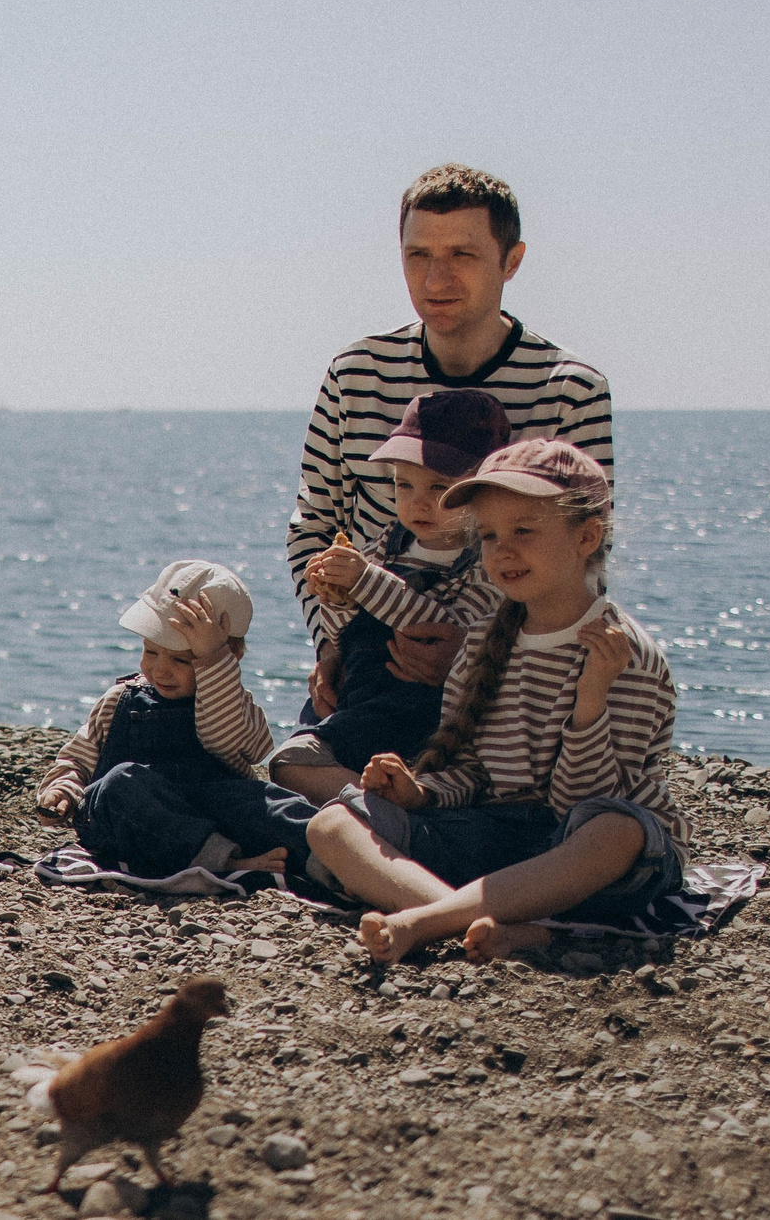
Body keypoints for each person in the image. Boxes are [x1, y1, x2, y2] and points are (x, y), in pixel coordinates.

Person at [300, 441, 684, 961]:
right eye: (488, 535)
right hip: (501, 836)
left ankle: (427, 919)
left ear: (586, 537)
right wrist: (421, 793)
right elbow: (476, 773)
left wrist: (590, 698)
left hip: (578, 849)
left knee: (616, 833)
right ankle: (484, 925)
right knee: (332, 824)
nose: (502, 550)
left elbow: (580, 803)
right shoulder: (483, 639)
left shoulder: (625, 653)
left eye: (524, 531)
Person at [287, 163, 612, 709]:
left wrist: (475, 657)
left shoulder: (570, 390)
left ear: (512, 261)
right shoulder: (355, 374)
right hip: (364, 667)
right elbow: (314, 528)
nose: (437, 280)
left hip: (510, 690)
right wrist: (332, 646)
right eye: (419, 256)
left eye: (462, 255)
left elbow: (587, 560)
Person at [265, 389, 511, 804]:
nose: (418, 502)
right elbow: (346, 632)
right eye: (404, 485)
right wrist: (336, 597)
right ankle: (370, 805)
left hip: (417, 709)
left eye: (439, 487)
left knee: (291, 764)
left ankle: (371, 807)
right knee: (291, 762)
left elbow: (443, 629)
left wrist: (363, 582)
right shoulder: (388, 544)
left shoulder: (485, 561)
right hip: (361, 695)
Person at [33, 562, 316, 879]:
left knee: (271, 803)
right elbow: (79, 757)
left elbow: (235, 742)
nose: (160, 670)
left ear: (229, 658)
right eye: (150, 651)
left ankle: (330, 857)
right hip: (130, 820)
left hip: (205, 812)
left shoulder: (232, 702)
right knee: (119, 783)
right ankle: (226, 863)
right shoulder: (121, 699)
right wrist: (63, 789)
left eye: (181, 659)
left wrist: (213, 663)